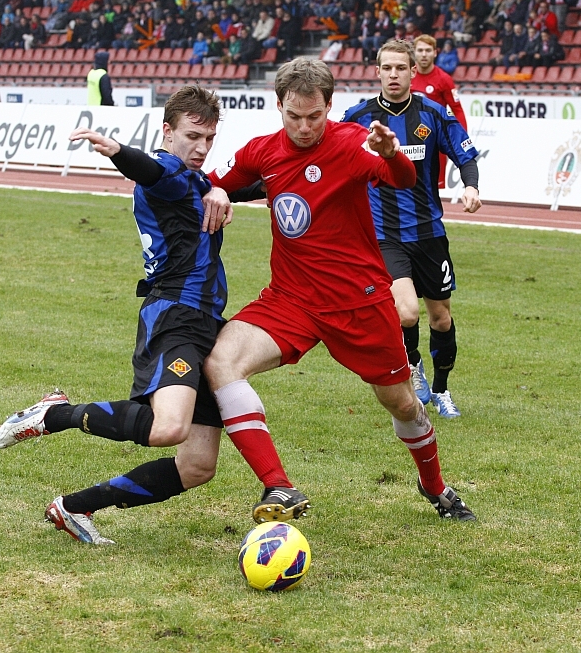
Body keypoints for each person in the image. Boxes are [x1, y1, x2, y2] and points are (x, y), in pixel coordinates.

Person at [202, 58, 477, 523]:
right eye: (294, 116)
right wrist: (217, 191)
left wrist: (391, 154)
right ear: (278, 105)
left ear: (329, 106)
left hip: (359, 303)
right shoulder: (260, 151)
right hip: (289, 300)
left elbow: (403, 179)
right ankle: (278, 485)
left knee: (402, 404)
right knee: (220, 363)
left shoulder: (352, 142)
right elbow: (210, 183)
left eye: (314, 116)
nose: (304, 127)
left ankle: (434, 486)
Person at [0, 86, 246, 545]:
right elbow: (151, 171)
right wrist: (116, 151)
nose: (201, 147)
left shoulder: (194, 179)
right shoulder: (167, 171)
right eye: (192, 136)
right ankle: (56, 415)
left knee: (197, 466)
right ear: (167, 131)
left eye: (209, 138)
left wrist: (222, 186)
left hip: (207, 323)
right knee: (169, 427)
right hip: (175, 314)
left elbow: (248, 182)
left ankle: (74, 507)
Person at [342, 38, 480, 422]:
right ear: (377, 72)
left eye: (400, 68)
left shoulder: (432, 113)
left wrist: (471, 186)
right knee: (405, 313)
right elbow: (332, 159)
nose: (393, 75)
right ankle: (414, 365)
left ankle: (442, 389)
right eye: (386, 68)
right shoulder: (357, 117)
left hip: (429, 233)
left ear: (412, 71)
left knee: (441, 318)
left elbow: (465, 155)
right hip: (384, 234)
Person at [411, 34, 467, 190]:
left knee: (434, 189)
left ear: (435, 53)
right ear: (414, 53)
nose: (424, 54)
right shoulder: (406, 76)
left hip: (434, 139)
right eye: (420, 50)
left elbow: (457, 109)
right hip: (408, 139)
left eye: (428, 50)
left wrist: (461, 137)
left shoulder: (444, 79)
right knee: (408, 186)